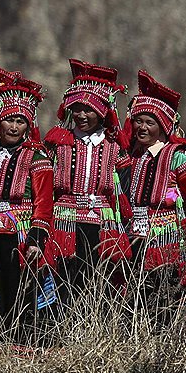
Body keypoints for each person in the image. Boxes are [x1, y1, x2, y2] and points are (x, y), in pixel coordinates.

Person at [120, 70, 186, 328]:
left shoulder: (179, 155)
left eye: (149, 122)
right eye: (138, 121)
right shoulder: (132, 157)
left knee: (164, 298)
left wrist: (185, 230)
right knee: (136, 297)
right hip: (134, 237)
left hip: (166, 239)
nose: (142, 127)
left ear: (162, 125)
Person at [44, 59, 131, 308]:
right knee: (63, 277)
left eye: (89, 109)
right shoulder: (58, 141)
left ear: (103, 111)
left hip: (102, 220)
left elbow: (124, 190)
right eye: (78, 108)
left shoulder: (115, 146)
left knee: (97, 277)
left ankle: (90, 329)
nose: (82, 115)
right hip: (65, 218)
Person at [0, 68, 54, 343]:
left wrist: (36, 238)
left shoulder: (37, 156)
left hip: (18, 235)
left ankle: (22, 348)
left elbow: (44, 201)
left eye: (20, 121)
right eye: (8, 119)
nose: (13, 127)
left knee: (20, 291)